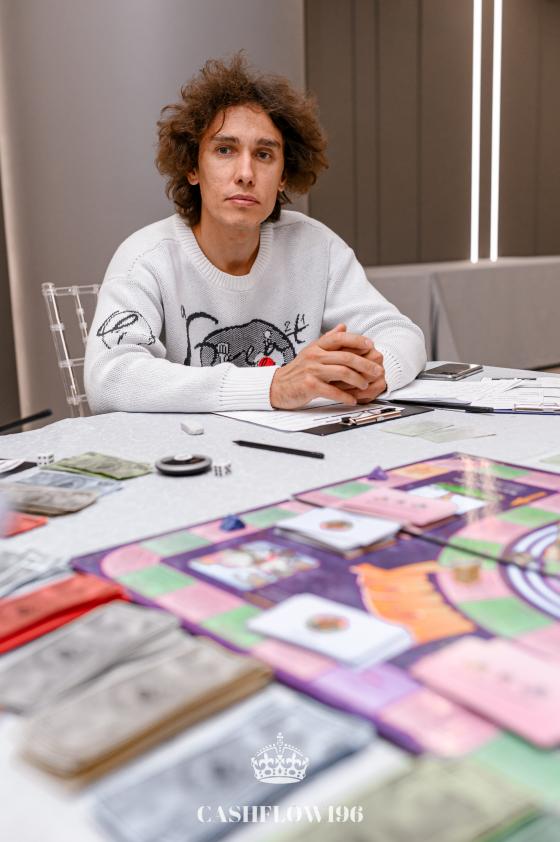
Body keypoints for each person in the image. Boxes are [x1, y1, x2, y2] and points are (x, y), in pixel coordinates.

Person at [85, 54, 426, 414]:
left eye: (264, 155)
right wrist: (272, 386)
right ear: (192, 168)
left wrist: (376, 374)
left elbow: (399, 332)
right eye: (225, 150)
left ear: (283, 176)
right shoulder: (146, 258)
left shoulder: (316, 246)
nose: (246, 173)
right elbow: (110, 378)